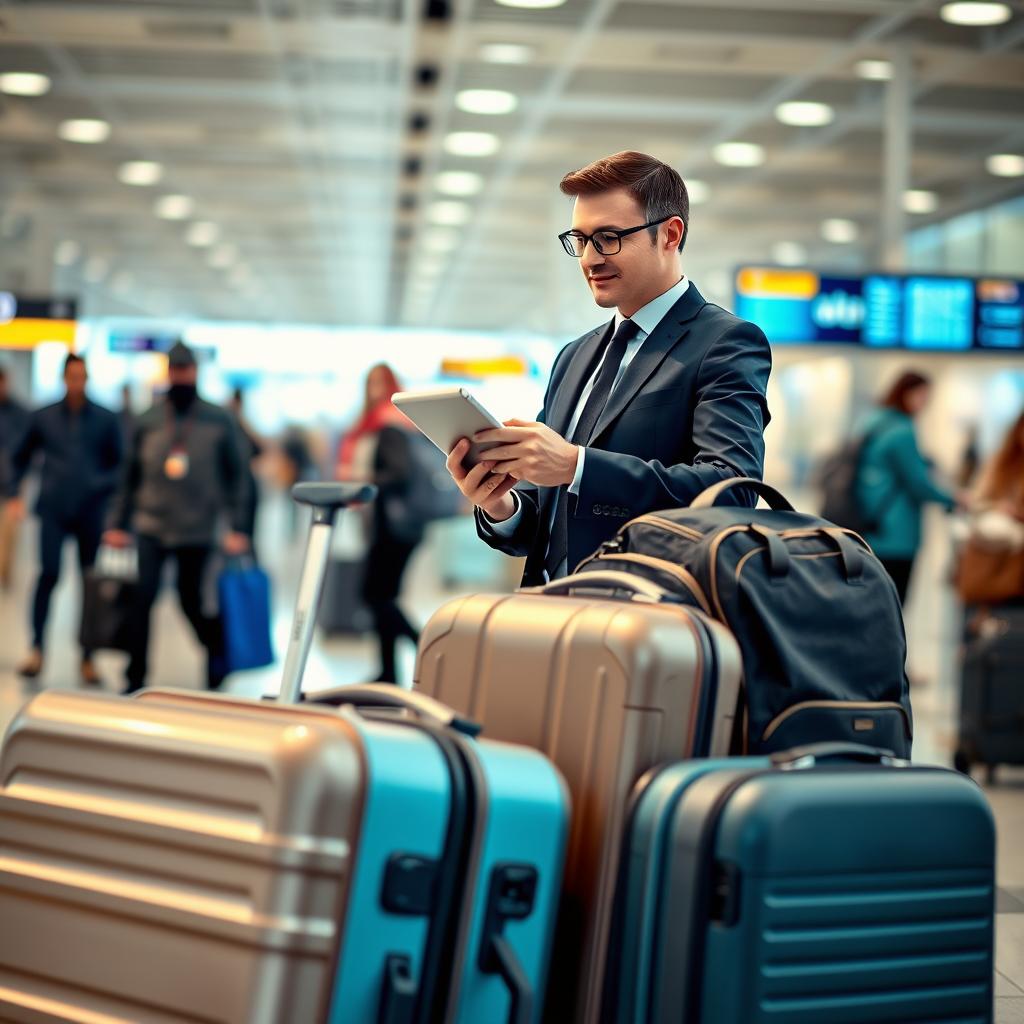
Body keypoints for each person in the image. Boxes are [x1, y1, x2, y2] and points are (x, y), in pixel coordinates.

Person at [444, 150, 772, 585]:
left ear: (671, 234)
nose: (589, 259)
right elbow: (545, 521)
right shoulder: (574, 357)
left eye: (609, 238)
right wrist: (500, 505)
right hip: (549, 612)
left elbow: (732, 488)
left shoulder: (724, 342)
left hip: (650, 615)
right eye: (580, 240)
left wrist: (577, 466)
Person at [103, 341, 250, 692]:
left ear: (196, 373)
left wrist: (238, 526)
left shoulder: (218, 419)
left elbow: (238, 476)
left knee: (191, 602)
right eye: (175, 370)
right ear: (168, 372)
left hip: (197, 528)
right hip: (151, 524)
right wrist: (116, 523)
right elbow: (129, 475)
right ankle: (135, 676)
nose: (181, 376)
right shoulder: (149, 419)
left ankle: (217, 658)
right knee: (141, 600)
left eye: (187, 370)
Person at [5, 354, 122, 681]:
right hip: (54, 509)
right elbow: (21, 456)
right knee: (49, 574)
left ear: (87, 379)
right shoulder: (44, 417)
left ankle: (88, 656)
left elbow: (120, 465)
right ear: (63, 378)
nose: (76, 383)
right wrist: (15, 494)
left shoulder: (104, 418)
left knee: (90, 582)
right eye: (71, 376)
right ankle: (37, 648)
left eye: (81, 376)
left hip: (91, 511)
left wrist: (107, 498)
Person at [337, 363, 422, 683]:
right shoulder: (377, 424)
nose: (374, 389)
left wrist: (362, 480)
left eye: (379, 382)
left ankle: (425, 645)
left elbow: (398, 475)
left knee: (375, 595)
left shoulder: (390, 424)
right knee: (382, 596)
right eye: (369, 382)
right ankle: (389, 671)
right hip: (387, 524)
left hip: (395, 526)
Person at [856, 370, 959, 605]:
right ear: (905, 393)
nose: (925, 403)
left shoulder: (874, 421)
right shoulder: (902, 430)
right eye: (923, 395)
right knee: (893, 601)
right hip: (896, 533)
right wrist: (955, 499)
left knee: (871, 598)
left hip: (871, 525)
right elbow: (918, 483)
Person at [0, 366, 29, 590]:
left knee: (9, 536)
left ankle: (5, 575)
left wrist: (17, 489)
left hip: (12, 484)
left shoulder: (19, 413)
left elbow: (23, 453)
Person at [226, 386, 264, 545]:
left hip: (241, 487)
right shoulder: (231, 424)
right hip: (241, 487)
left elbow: (258, 449)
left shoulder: (235, 425)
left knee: (244, 539)